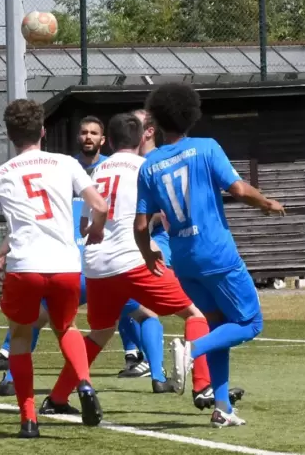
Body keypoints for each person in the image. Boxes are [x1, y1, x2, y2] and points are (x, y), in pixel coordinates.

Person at [37, 113, 214, 415]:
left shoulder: (96, 171)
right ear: (143, 136)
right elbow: (163, 214)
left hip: (96, 266)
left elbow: (84, 225)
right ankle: (202, 386)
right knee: (195, 314)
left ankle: (56, 398)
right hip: (132, 260)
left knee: (99, 334)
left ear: (111, 139)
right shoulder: (147, 168)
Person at [135, 83, 285, 427]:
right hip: (217, 254)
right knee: (250, 323)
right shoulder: (206, 148)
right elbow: (237, 188)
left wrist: (148, 256)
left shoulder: (149, 166)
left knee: (219, 325)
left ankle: (222, 408)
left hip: (184, 260)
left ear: (156, 120)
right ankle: (191, 351)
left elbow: (141, 225)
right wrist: (266, 203)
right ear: (191, 114)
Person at [0, 116, 153, 396]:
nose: (87, 137)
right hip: (79, 263)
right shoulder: (65, 166)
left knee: (40, 319)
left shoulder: (87, 168)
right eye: (83, 131)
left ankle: (19, 382)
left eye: (93, 133)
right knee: (125, 312)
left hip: (80, 261)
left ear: (104, 139)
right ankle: (127, 367)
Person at [0, 99, 108, 438]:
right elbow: (100, 205)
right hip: (64, 265)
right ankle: (85, 386)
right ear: (43, 131)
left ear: (9, 135)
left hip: (24, 268)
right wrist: (96, 227)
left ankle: (29, 420)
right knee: (67, 327)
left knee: (19, 337)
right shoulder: (65, 163)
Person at [131, 109, 245, 409]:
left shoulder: (142, 165)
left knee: (154, 314)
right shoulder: (187, 153)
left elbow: (143, 220)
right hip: (191, 250)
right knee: (231, 320)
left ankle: (215, 402)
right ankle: (192, 362)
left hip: (160, 254)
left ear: (151, 129)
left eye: (138, 123)